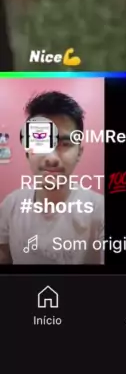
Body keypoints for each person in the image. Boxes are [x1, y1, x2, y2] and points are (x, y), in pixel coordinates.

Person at [0, 91, 104, 264]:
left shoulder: (100, 212)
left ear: (79, 152)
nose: (52, 158)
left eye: (64, 144)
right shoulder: (10, 205)